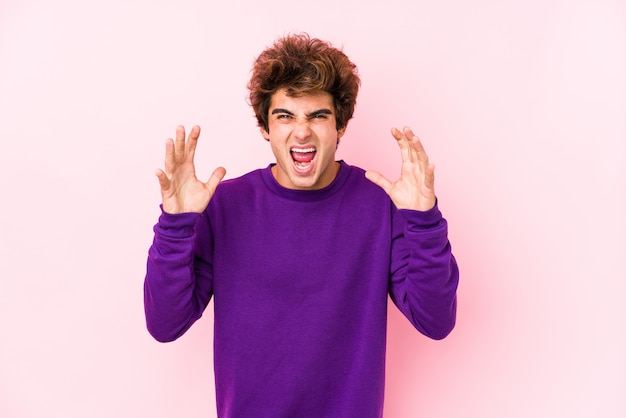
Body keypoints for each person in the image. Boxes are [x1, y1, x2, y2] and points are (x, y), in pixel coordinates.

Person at [144, 33, 459, 418]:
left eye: (318, 116)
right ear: (265, 127)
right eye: (285, 116)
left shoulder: (381, 205)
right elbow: (165, 324)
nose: (302, 131)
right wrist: (176, 225)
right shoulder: (224, 206)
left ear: (340, 125)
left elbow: (436, 320)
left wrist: (423, 221)